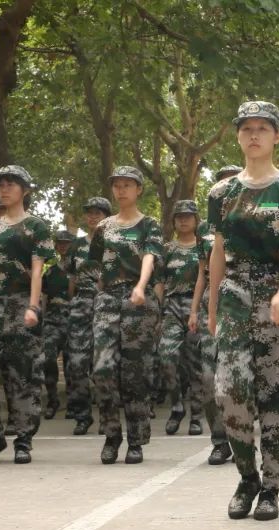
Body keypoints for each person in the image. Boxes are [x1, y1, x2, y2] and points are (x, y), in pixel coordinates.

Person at [207, 100, 279, 521]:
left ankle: (271, 488)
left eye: (263, 128)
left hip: (275, 289)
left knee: (275, 395)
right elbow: (218, 251)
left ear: (277, 136)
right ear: (238, 136)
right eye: (246, 128)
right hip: (234, 293)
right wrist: (213, 307)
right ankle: (247, 477)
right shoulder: (221, 193)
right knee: (229, 391)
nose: (254, 135)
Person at [0, 165, 53, 464]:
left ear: (25, 190)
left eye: (10, 184)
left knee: (22, 373)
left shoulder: (36, 227)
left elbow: (37, 270)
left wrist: (33, 306)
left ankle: (23, 439)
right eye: (0, 184)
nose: (4, 189)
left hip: (21, 302)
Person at [89, 165, 163, 464]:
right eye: (117, 185)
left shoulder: (149, 224)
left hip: (138, 301)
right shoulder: (103, 227)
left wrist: (141, 286)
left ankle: (136, 439)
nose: (121, 190)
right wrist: (101, 294)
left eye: (127, 185)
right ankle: (111, 434)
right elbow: (97, 263)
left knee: (135, 374)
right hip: (108, 299)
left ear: (138, 189)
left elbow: (149, 256)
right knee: (102, 369)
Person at [188, 196, 233, 465]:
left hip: (244, 305)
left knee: (240, 377)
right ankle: (220, 441)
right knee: (208, 377)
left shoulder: (253, 219)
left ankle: (242, 438)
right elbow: (202, 274)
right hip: (211, 308)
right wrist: (194, 310)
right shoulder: (205, 229)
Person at [65, 197, 110, 435]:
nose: (92, 217)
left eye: (97, 213)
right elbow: (71, 279)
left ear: (107, 217)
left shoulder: (114, 244)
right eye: (89, 213)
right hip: (81, 305)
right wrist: (73, 304)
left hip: (107, 302)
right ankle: (82, 415)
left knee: (104, 365)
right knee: (76, 363)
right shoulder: (76, 245)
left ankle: (107, 415)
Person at [158, 200, 204, 436]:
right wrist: (157, 311)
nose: (183, 220)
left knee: (195, 362)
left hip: (197, 308)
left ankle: (196, 414)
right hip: (172, 307)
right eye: (179, 217)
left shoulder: (204, 247)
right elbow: (159, 281)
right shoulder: (167, 249)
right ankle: (176, 406)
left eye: (188, 216)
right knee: (167, 357)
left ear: (196, 220)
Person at [41, 230, 74, 419]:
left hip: (73, 320)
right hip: (52, 321)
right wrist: (41, 319)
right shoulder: (50, 272)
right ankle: (52, 400)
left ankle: (72, 402)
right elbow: (44, 297)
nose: (63, 246)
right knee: (47, 359)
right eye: (60, 243)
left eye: (66, 243)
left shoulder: (79, 270)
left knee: (72, 364)